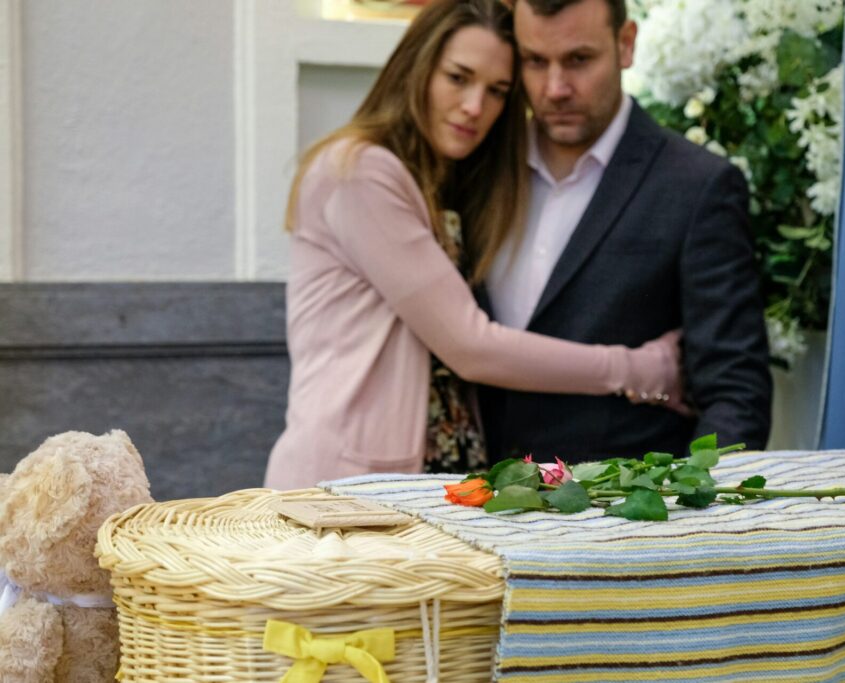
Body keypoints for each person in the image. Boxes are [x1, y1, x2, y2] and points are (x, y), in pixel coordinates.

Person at [264, 0, 684, 490]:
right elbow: (471, 345)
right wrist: (635, 369)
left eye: (497, 91)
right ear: (416, 67)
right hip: (345, 485)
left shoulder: (443, 182)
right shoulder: (360, 171)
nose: (474, 107)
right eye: (458, 78)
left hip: (424, 482)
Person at [479, 0, 772, 463]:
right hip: (461, 502)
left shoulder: (696, 186)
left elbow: (735, 392)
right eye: (535, 61)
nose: (555, 88)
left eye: (579, 60)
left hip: (621, 518)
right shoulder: (477, 168)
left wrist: (692, 515)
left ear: (626, 44)